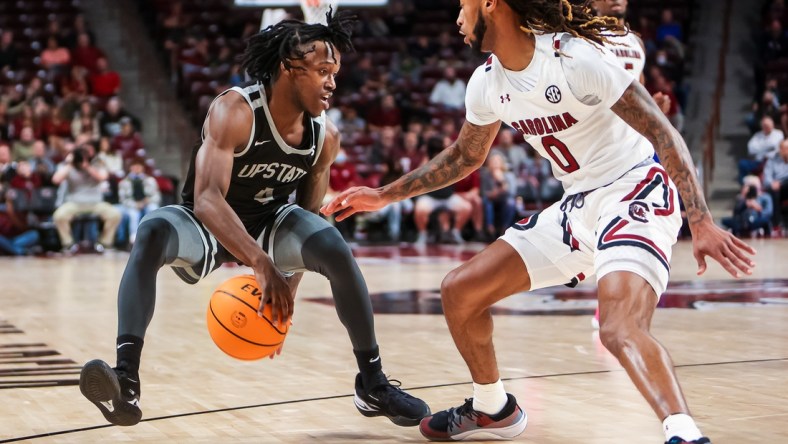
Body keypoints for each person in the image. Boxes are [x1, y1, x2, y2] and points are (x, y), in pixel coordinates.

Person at [322, 2, 755, 443]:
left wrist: (700, 219)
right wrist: (383, 195)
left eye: (462, 5)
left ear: (491, 4)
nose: (456, 17)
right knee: (460, 291)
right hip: (575, 205)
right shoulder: (486, 82)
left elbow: (664, 132)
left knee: (618, 327)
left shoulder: (575, 60)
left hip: (633, 189)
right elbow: (464, 157)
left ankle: (683, 432)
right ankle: (493, 408)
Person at [78, 11, 429, 429]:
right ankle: (126, 378)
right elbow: (208, 199)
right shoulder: (235, 110)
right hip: (209, 222)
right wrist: (263, 265)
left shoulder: (324, 135)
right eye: (322, 71)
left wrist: (288, 295)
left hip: (270, 223)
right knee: (152, 230)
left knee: (333, 245)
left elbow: (310, 215)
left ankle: (372, 383)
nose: (332, 82)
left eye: (334, 72)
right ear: (288, 68)